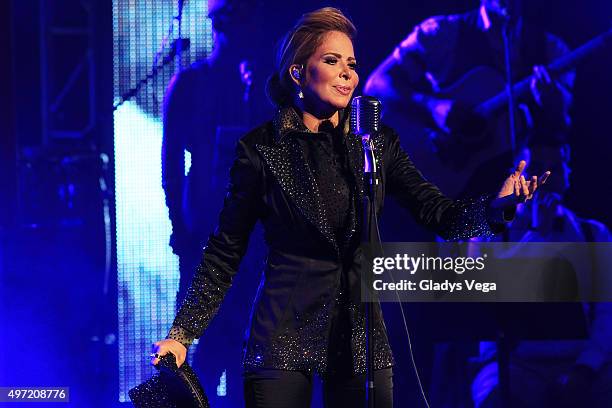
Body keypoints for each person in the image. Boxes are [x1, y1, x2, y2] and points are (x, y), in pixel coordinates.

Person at [152, 7, 546, 407]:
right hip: (235, 274)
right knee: (210, 357)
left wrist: (493, 210)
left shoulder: (360, 141)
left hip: (304, 291)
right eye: (331, 61)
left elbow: (435, 211)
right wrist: (182, 244)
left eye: (351, 64)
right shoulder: (225, 113)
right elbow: (199, 206)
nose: (347, 75)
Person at [161, 1, 275, 405]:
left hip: (258, 237)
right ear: (219, 24)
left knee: (251, 342)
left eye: (248, 20)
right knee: (198, 343)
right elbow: (171, 163)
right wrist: (180, 227)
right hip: (205, 230)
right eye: (234, 20)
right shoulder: (191, 83)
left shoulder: (269, 89)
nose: (244, 30)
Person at [364, 0, 573, 200]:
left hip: (522, 200)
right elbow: (378, 84)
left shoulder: (552, 50)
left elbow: (558, 134)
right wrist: (432, 106)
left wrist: (553, 106)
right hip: (451, 186)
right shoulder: (443, 32)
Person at [470, 143, 612, 408]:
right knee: (495, 397)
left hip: (582, 359)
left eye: (555, 169)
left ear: (567, 175)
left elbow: (607, 314)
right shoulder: (487, 237)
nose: (543, 181)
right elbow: (483, 299)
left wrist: (584, 370)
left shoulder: (594, 235)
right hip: (513, 361)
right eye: (535, 171)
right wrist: (536, 235)